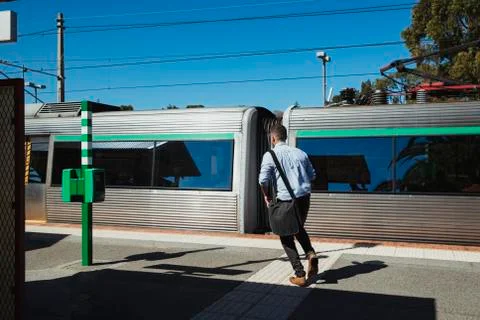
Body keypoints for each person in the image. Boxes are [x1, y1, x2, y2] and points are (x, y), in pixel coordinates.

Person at [258, 124, 318, 287]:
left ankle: (300, 274)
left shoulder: (270, 155)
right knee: (297, 228)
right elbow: (313, 175)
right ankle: (311, 254)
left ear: (273, 138)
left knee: (285, 235)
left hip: (286, 200)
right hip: (304, 198)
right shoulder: (300, 153)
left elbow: (263, 180)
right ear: (285, 137)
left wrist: (266, 195)